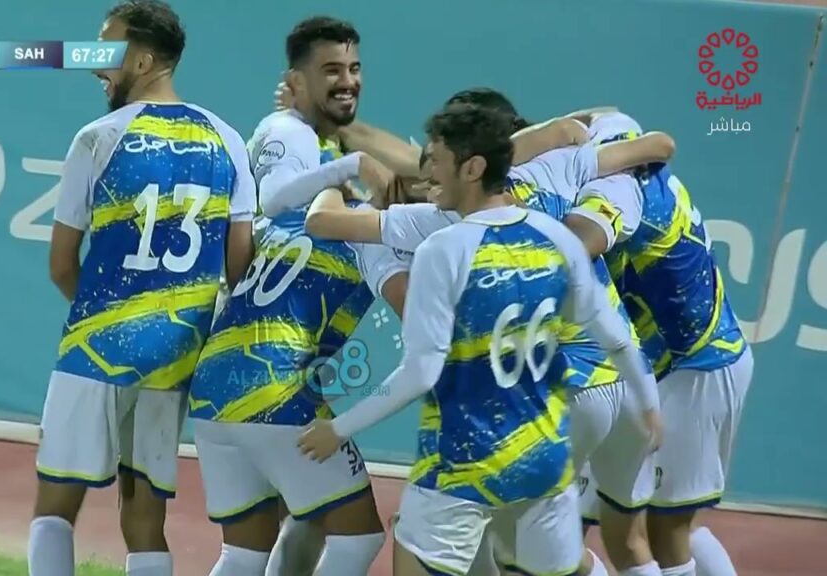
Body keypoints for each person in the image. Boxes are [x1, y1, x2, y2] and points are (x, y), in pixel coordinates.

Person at [299, 103, 660, 576]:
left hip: (471, 445)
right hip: (546, 444)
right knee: (537, 562)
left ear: (471, 168)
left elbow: (421, 371)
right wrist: (650, 406)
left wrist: (339, 429)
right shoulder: (558, 232)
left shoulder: (442, 243)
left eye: (435, 161)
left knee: (417, 553)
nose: (426, 174)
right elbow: (616, 335)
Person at [29, 3, 256, 575]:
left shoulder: (97, 138)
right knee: (145, 519)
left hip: (96, 348)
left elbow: (61, 265)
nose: (94, 65)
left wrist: (105, 318)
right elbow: (240, 267)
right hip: (176, 356)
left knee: (55, 508)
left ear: (144, 60)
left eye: (107, 50)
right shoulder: (229, 140)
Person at [186, 16, 395, 576]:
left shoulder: (300, 209)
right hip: (277, 389)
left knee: (243, 551)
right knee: (358, 539)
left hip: (215, 383)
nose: (348, 80)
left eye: (354, 68)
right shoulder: (371, 229)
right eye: (331, 69)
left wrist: (347, 157)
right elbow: (281, 192)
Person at [571, 112, 753, 576]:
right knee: (587, 522)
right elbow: (605, 113)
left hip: (696, 366)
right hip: (653, 368)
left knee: (667, 529)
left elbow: (572, 246)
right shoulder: (615, 133)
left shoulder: (616, 195)